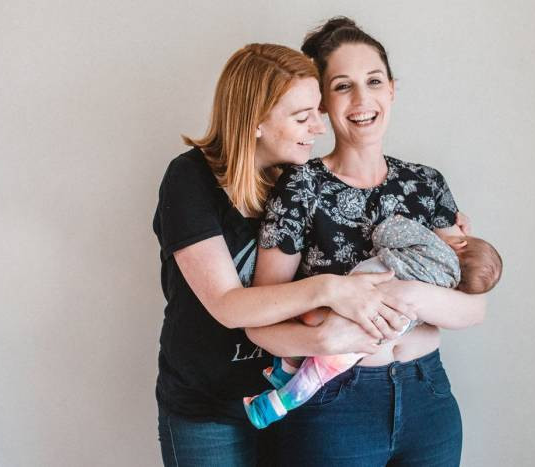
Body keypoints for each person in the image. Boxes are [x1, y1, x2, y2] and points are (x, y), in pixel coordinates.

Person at [153, 43, 415, 467]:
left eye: (317, 111)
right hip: (208, 410)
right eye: (302, 117)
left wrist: (446, 240)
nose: (318, 127)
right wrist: (330, 290)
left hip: (297, 402)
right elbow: (227, 304)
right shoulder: (191, 178)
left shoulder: (299, 184)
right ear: (255, 120)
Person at [245, 17, 489, 466]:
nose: (362, 99)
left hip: (427, 397)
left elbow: (472, 308)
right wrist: (322, 342)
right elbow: (259, 321)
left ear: (391, 89)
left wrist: (406, 294)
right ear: (321, 102)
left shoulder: (426, 184)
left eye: (373, 81)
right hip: (333, 405)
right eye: (342, 86)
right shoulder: (300, 187)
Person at [244, 215, 503, 428]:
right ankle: (275, 395)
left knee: (308, 323)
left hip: (363, 323)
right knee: (316, 373)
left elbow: (386, 231)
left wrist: (420, 236)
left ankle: (273, 397)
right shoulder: (448, 287)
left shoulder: (435, 244)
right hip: (371, 343)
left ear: (460, 244)